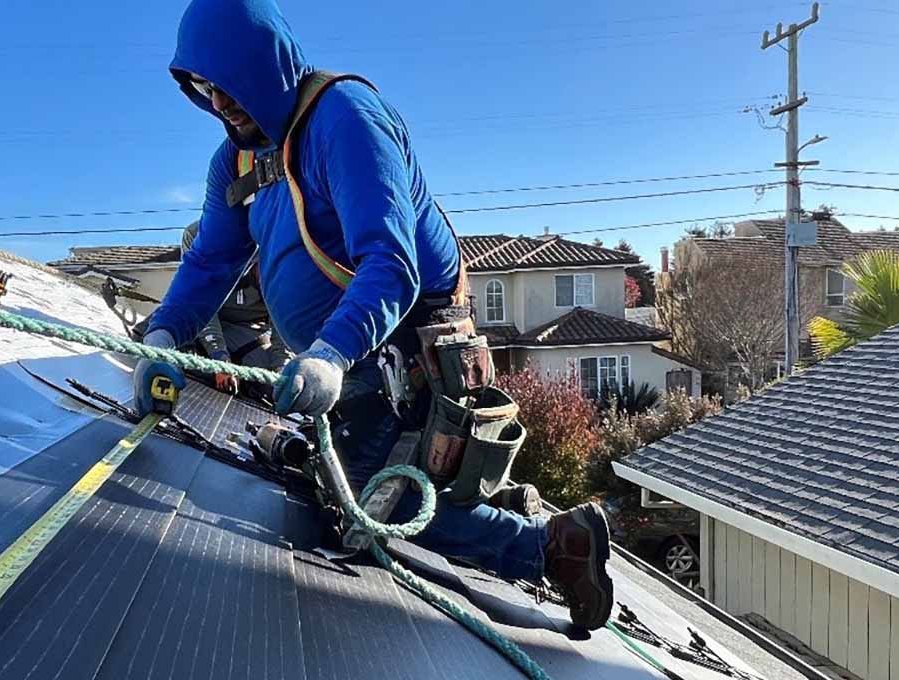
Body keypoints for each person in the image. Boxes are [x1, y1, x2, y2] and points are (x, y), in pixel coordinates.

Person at [133, 0, 613, 629]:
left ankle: (554, 548)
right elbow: (209, 264)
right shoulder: (239, 162)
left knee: (376, 501)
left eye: (228, 84)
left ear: (263, 65)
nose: (219, 103)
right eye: (205, 89)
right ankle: (499, 505)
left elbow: (392, 261)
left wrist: (331, 353)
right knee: (336, 477)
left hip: (405, 341)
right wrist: (164, 335)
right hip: (343, 353)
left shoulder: (345, 118)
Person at [180, 221, 292, 396]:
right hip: (198, 316)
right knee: (164, 342)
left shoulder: (291, 285)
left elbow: (284, 336)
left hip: (246, 330)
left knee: (270, 385)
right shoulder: (203, 238)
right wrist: (220, 360)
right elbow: (199, 302)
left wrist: (281, 373)